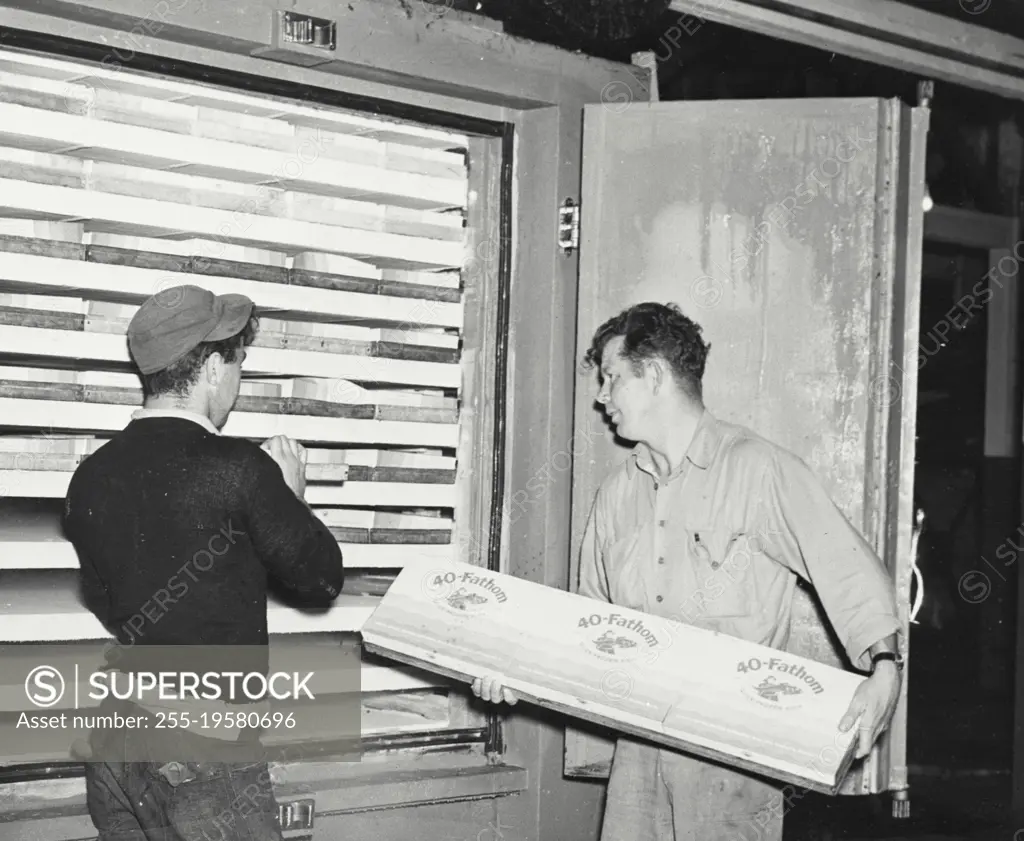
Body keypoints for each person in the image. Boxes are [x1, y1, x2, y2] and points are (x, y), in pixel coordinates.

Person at [472, 301, 903, 841]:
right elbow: (586, 630)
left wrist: (884, 665)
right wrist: (518, 671)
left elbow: (848, 568)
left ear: (654, 375)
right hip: (638, 752)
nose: (601, 397)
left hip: (733, 758)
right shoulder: (616, 497)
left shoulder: (757, 470)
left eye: (611, 378)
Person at [63, 284, 345, 841]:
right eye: (239, 362)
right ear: (214, 366)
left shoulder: (90, 475)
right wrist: (292, 497)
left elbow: (102, 596)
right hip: (205, 754)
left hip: (118, 740)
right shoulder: (240, 468)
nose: (237, 379)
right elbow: (320, 580)